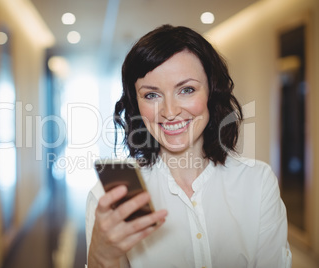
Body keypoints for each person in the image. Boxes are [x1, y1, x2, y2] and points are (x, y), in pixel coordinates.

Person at [86, 24, 292, 268]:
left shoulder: (257, 183)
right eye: (152, 95)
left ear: (212, 93)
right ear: (136, 105)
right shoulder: (108, 201)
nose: (170, 112)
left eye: (187, 90)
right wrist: (102, 257)